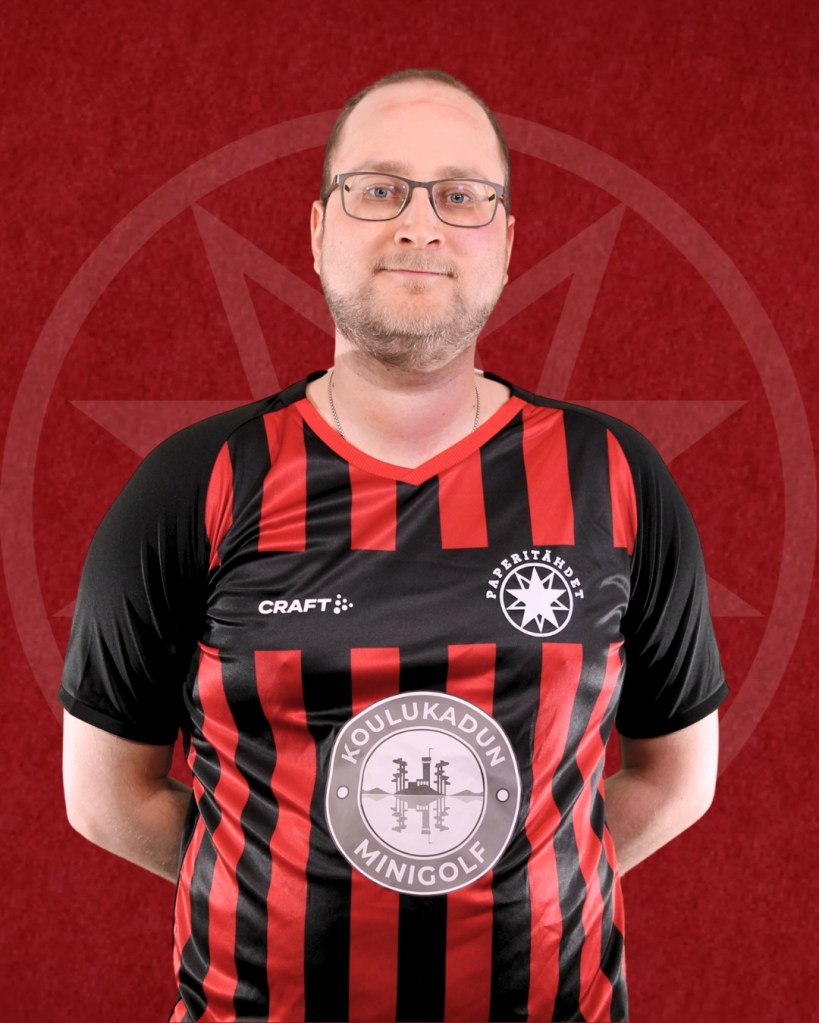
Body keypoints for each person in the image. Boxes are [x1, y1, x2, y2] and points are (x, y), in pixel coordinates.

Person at [60, 69, 727, 1023]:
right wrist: (285, 877)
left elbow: (674, 775)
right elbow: (104, 796)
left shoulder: (614, 475)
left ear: (506, 243)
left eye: (460, 195)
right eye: (378, 189)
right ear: (318, 231)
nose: (419, 225)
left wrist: (501, 866)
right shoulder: (193, 482)